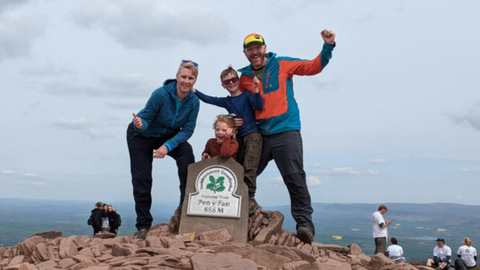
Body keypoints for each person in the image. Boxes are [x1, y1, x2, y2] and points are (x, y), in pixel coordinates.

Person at [237, 30, 336, 244]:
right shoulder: (244, 77)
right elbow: (237, 103)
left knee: (294, 177)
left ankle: (304, 225)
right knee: (243, 175)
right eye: (249, 48)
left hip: (286, 131)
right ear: (245, 52)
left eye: (257, 47)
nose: (254, 51)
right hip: (260, 135)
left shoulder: (282, 64)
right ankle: (234, 214)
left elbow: (312, 67)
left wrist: (328, 46)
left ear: (264, 48)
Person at [127, 60, 200, 239]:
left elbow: (188, 131)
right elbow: (145, 121)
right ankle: (143, 226)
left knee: (186, 153)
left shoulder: (194, 102)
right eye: (183, 77)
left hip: (168, 136)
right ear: (176, 77)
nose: (186, 81)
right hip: (141, 135)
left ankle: (185, 212)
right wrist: (139, 124)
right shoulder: (160, 94)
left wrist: (167, 146)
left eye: (190, 78)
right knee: (142, 178)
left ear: (195, 80)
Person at [193, 66, 263, 214]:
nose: (231, 83)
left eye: (233, 79)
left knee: (250, 165)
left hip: (253, 135)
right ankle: (241, 195)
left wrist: (256, 90)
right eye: (227, 82)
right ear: (223, 85)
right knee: (239, 166)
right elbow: (209, 99)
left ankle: (250, 197)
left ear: (238, 80)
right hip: (239, 138)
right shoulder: (226, 102)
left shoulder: (247, 95)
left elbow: (259, 105)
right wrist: (195, 91)